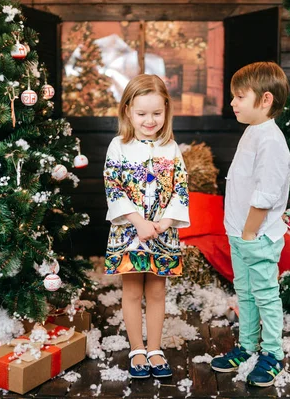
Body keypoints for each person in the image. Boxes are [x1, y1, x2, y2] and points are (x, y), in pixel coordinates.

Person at [211, 62, 290, 387]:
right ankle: (247, 346)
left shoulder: (271, 141)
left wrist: (248, 231)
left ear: (266, 100)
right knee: (244, 293)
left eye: (240, 96)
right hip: (240, 234)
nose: (233, 102)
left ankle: (272, 354)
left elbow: (267, 193)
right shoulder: (252, 131)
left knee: (265, 295)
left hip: (256, 235)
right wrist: (237, 231)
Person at [103, 74, 190, 379]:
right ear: (127, 111)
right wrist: (138, 222)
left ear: (166, 110)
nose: (149, 120)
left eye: (157, 113)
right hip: (129, 231)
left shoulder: (171, 148)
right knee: (131, 292)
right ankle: (136, 348)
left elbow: (181, 187)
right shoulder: (119, 146)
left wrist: (164, 222)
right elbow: (113, 186)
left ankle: (155, 348)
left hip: (162, 234)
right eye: (142, 114)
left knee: (156, 291)